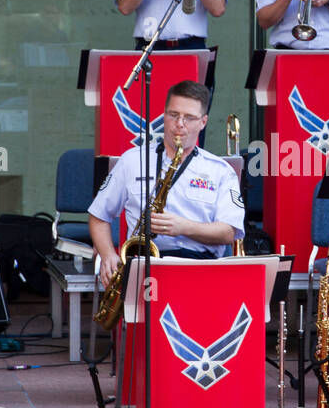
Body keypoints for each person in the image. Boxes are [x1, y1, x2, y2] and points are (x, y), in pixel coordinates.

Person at [88, 80, 245, 284]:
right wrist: (108, 254)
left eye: (189, 118)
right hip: (143, 266)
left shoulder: (220, 171)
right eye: (173, 115)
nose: (180, 124)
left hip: (200, 270)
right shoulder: (132, 160)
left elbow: (229, 232)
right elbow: (98, 215)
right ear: (164, 115)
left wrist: (183, 227)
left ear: (203, 122)